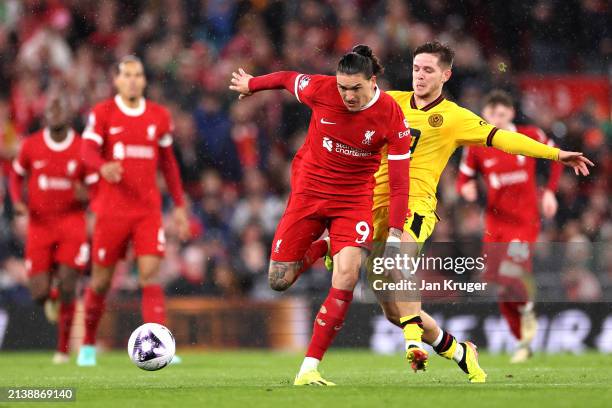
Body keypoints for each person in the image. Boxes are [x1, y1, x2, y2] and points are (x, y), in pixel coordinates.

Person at [369, 42, 593, 382]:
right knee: (392, 311)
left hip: (417, 206)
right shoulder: (393, 102)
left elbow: (504, 139)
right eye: (416, 68)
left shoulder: (456, 118)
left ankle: (413, 343)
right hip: (376, 209)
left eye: (428, 70)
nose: (420, 75)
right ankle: (461, 351)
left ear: (446, 75)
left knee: (400, 262)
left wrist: (556, 155)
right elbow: (346, 95)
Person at [229, 44, 412, 385]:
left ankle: (309, 367)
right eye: (343, 87)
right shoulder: (322, 88)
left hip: (354, 200)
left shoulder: (391, 116)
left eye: (355, 88)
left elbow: (401, 186)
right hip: (309, 193)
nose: (348, 95)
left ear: (373, 82)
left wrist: (397, 236)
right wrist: (252, 85)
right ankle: (328, 246)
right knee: (278, 281)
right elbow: (286, 79)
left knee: (347, 274)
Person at [77, 55, 190, 366]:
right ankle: (87, 344)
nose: (132, 80)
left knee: (150, 277)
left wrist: (179, 205)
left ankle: (160, 346)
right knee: (100, 282)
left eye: (137, 75)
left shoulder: (159, 116)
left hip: (147, 211)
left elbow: (168, 163)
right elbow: (86, 150)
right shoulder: (103, 113)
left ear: (144, 80)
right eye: (126, 74)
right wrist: (103, 167)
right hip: (111, 211)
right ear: (116, 80)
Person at [457, 90, 563, 363]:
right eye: (491, 115)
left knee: (510, 275)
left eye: (501, 115)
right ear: (485, 116)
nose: (496, 120)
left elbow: (557, 158)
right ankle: (523, 342)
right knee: (500, 286)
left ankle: (527, 307)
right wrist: (466, 188)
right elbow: (463, 178)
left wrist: (550, 192)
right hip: (495, 224)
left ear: (511, 114)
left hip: (524, 223)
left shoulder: (529, 135)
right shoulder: (477, 144)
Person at [10, 93, 95, 364]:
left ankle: (62, 349)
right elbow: (15, 175)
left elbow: (97, 186)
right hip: (40, 226)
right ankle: (51, 295)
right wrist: (17, 202)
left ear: (70, 115)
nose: (55, 111)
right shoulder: (31, 146)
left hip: (72, 224)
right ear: (44, 114)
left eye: (61, 107)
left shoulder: (83, 148)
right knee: (39, 293)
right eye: (51, 108)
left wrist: (88, 195)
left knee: (70, 285)